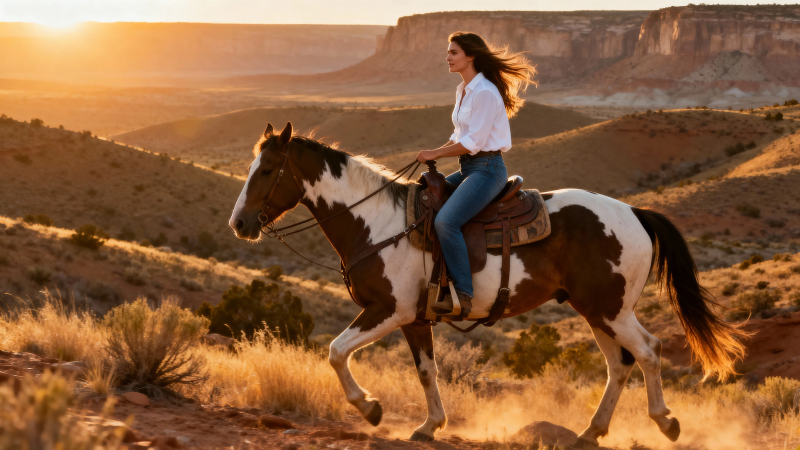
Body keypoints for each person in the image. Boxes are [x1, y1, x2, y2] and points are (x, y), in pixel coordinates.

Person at [416, 31, 537, 316]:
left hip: (487, 170)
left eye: (453, 52)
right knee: (422, 198)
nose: (447, 57)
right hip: (469, 168)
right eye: (448, 52)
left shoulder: (483, 92)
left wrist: (434, 155)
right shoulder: (463, 90)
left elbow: (473, 143)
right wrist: (435, 150)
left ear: (470, 56)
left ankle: (463, 294)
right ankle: (435, 279)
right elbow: (459, 135)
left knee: (447, 221)